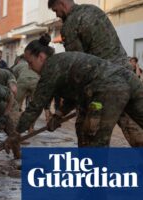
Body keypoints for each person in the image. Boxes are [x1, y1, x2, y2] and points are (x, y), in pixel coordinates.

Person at [17, 35, 143, 148]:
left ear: (41, 57)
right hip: (130, 80)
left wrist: (15, 134)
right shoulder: (62, 62)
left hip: (108, 89)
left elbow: (36, 106)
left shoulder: (50, 68)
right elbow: (74, 96)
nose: (29, 67)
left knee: (94, 142)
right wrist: (58, 115)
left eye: (30, 62)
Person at [48, 0, 143, 146]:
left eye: (56, 11)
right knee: (136, 130)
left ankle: (92, 167)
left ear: (62, 3)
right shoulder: (95, 10)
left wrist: (62, 110)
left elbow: (78, 71)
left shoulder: (70, 25)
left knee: (88, 135)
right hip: (127, 79)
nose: (57, 15)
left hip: (103, 86)